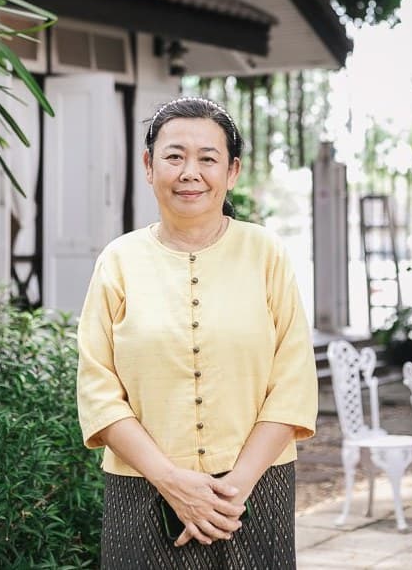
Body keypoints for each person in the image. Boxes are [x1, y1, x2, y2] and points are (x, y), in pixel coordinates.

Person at [77, 96, 318, 569]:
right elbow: (98, 390)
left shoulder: (266, 252)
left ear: (232, 172)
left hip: (256, 489)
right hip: (143, 487)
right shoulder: (118, 261)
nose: (190, 172)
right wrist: (172, 481)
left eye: (208, 158)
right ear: (149, 166)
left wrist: (230, 491)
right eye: (174, 156)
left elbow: (292, 383)